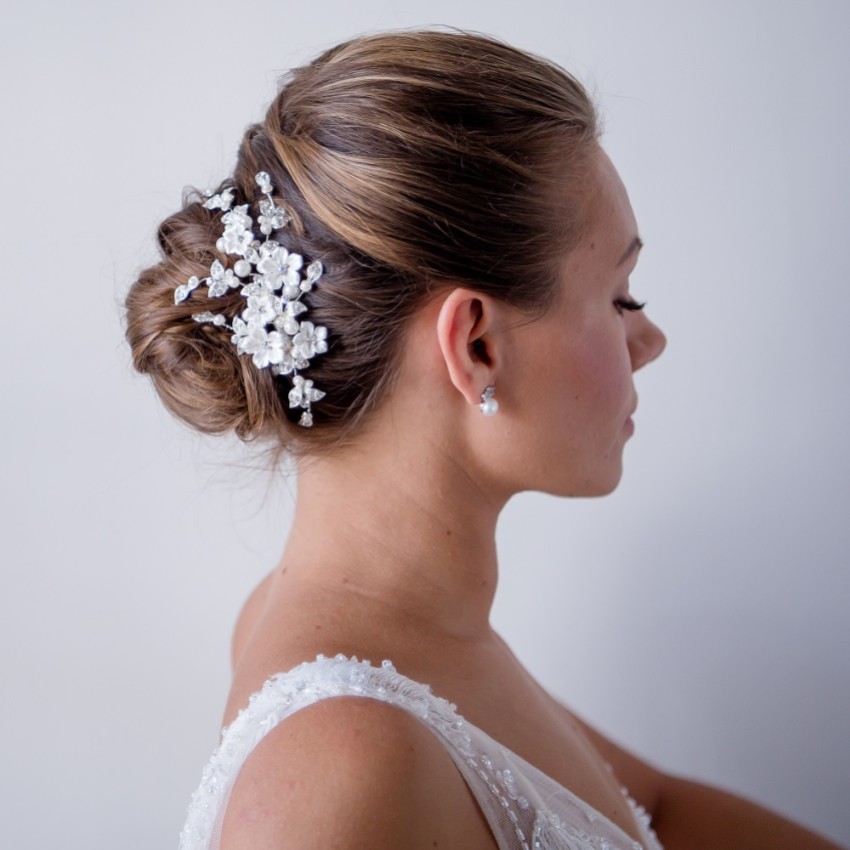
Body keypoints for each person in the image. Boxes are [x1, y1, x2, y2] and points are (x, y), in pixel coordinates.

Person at [125, 30, 844, 850]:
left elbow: (651, 811)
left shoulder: (393, 631)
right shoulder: (348, 768)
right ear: (476, 346)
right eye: (620, 298)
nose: (650, 341)